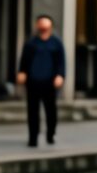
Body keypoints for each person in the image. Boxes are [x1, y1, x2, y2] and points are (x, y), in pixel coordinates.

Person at [15, 15, 66, 148]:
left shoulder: (56, 43)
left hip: (49, 81)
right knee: (32, 111)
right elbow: (24, 60)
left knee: (50, 110)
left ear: (50, 27)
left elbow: (61, 61)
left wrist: (60, 75)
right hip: (33, 81)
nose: (43, 29)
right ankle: (33, 137)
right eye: (41, 26)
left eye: (46, 26)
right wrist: (22, 72)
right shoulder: (31, 43)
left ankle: (50, 134)